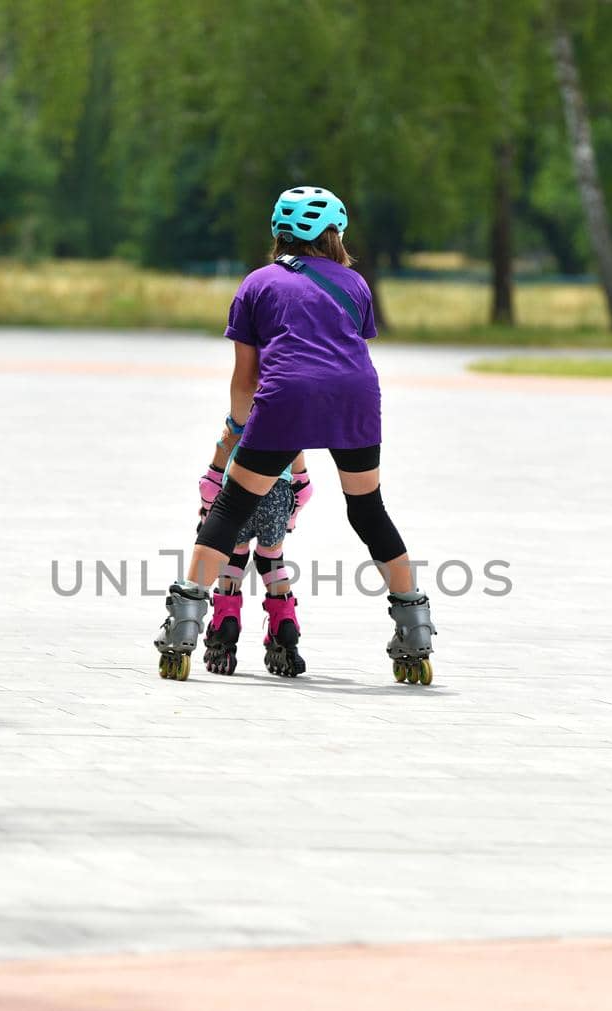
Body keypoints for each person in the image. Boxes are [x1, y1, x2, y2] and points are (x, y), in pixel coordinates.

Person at [154, 185, 435, 685]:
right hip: (356, 398)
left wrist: (237, 430)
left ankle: (184, 626)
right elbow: (346, 352)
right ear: (335, 235)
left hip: (285, 398)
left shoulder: (258, 284)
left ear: (278, 232)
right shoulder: (355, 284)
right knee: (369, 511)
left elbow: (246, 377)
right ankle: (414, 632)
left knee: (232, 508)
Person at [195, 423, 312, 676]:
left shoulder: (237, 421)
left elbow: (210, 483)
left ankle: (226, 623)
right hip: (278, 498)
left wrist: (208, 514)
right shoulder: (291, 424)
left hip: (239, 493)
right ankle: (285, 627)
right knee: (272, 559)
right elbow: (303, 487)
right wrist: (289, 519)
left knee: (234, 558)